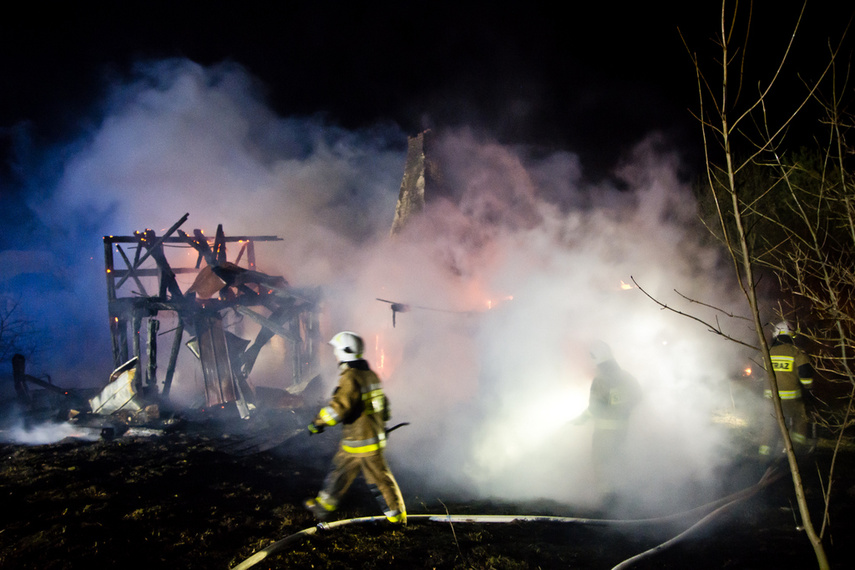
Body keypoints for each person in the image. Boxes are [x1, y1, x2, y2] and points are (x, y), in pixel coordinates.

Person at [303, 331, 407, 524]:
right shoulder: (370, 375)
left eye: (336, 350)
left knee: (379, 480)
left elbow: (339, 408)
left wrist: (317, 423)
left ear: (345, 352)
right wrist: (382, 422)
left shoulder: (351, 377)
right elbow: (384, 405)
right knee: (340, 471)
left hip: (362, 442)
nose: (334, 354)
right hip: (359, 439)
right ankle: (323, 507)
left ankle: (397, 518)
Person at [572, 340, 642, 501]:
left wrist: (581, 419)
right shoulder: (626, 377)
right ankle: (622, 497)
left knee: (602, 464)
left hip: (604, 433)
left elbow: (595, 407)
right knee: (618, 461)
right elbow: (638, 397)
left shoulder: (601, 380)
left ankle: (607, 500)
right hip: (622, 431)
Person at [758, 321, 815, 456]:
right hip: (792, 400)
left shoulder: (766, 352)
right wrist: (808, 389)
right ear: (791, 335)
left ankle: (764, 456)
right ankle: (795, 453)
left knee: (769, 426)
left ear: (776, 334)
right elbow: (806, 375)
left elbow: (757, 373)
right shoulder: (796, 352)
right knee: (800, 420)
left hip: (770, 399)